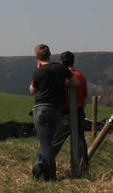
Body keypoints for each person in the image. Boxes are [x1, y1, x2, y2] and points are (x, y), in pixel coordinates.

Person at [29, 44, 79, 181]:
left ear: (37, 57)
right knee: (48, 141)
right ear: (50, 54)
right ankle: (38, 166)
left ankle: (50, 176)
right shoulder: (61, 68)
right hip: (56, 109)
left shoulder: (37, 72)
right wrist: (64, 84)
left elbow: (32, 90)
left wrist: (38, 69)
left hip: (41, 108)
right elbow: (75, 82)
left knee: (45, 144)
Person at [51, 51, 89, 176]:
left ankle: (46, 165)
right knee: (80, 141)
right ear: (73, 62)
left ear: (61, 62)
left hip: (65, 112)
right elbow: (84, 98)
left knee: (56, 141)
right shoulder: (81, 77)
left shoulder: (62, 77)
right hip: (78, 112)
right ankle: (82, 169)